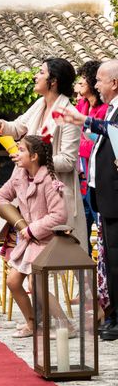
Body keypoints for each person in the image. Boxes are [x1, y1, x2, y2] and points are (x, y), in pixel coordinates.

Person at [0, 58, 86, 253]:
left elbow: (68, 161)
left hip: (52, 194)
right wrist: (2, 126)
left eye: (41, 72)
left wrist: (33, 160)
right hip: (27, 188)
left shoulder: (69, 113)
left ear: (54, 81)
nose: (36, 76)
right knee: (20, 260)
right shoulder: (39, 104)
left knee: (42, 259)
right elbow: (18, 126)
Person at [62, 59, 118, 340]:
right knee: (109, 257)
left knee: (117, 258)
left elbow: (115, 134)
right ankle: (112, 314)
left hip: (115, 196)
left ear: (114, 83)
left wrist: (86, 120)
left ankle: (116, 318)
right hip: (104, 196)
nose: (95, 85)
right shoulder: (110, 109)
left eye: (98, 80)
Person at [0, 136, 68, 337]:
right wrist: (20, 224)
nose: (16, 154)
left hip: (48, 242)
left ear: (34, 156)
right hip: (28, 241)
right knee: (13, 282)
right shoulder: (19, 176)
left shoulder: (50, 181)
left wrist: (32, 229)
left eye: (21, 150)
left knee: (36, 284)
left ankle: (65, 325)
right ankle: (33, 323)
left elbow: (59, 215)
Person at [74, 61, 108, 252]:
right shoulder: (81, 105)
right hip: (80, 174)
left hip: (94, 172)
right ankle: (86, 274)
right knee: (81, 228)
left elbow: (101, 144)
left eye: (83, 80)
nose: (79, 84)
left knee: (98, 221)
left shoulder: (104, 110)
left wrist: (83, 142)